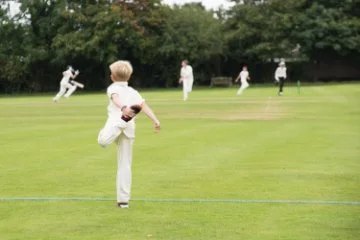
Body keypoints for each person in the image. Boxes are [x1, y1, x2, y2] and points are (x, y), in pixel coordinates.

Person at [97, 60, 161, 209]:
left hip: (116, 122)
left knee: (102, 141)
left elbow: (115, 98)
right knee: (125, 164)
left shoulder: (112, 87)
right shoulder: (133, 92)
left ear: (112, 76)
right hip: (129, 126)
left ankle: (122, 121)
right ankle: (123, 201)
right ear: (129, 77)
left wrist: (124, 108)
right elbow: (143, 106)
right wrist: (155, 120)